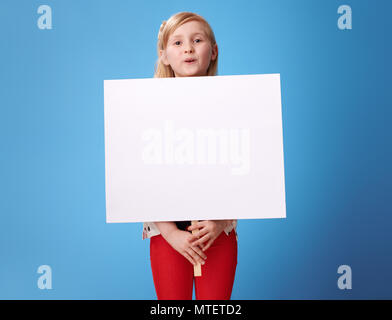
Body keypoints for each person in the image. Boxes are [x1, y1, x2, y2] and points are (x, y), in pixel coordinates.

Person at [142, 11, 238, 300]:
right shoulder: (145, 110)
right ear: (164, 55)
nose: (188, 49)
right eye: (178, 43)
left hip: (217, 232)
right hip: (165, 234)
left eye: (197, 40)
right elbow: (141, 172)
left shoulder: (235, 107)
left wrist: (219, 222)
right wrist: (171, 233)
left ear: (213, 51)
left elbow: (244, 168)